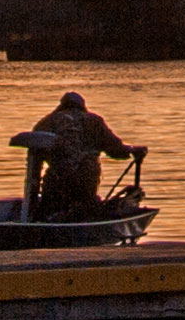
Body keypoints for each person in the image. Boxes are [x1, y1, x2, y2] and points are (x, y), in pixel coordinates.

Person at [11, 89, 141, 222]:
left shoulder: (47, 122)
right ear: (82, 106)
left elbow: (36, 155)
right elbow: (116, 150)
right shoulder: (94, 121)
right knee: (85, 210)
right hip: (86, 179)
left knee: (48, 210)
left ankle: (43, 220)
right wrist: (131, 151)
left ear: (61, 106)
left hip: (57, 180)